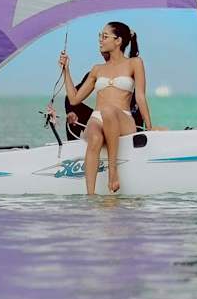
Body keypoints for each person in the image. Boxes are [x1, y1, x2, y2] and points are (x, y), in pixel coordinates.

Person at [58, 20, 152, 196]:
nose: (100, 40)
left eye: (105, 36)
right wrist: (66, 70)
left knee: (108, 110)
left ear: (118, 41)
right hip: (98, 118)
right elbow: (74, 99)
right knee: (94, 138)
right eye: (100, 36)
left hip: (122, 118)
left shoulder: (135, 63)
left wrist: (150, 127)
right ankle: (90, 196)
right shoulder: (97, 69)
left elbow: (140, 96)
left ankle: (112, 172)